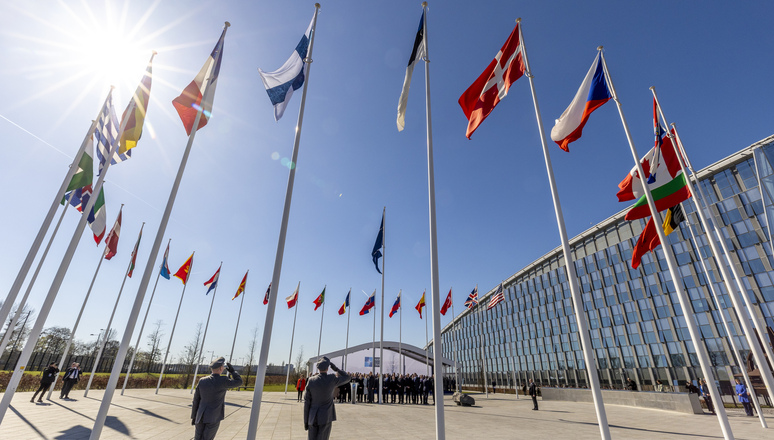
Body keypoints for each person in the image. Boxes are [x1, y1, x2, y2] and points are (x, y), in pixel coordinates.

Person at [191, 356, 243, 440]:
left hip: (200, 416)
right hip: (213, 417)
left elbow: (196, 400)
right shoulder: (223, 380)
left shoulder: (202, 380)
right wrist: (233, 372)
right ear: (221, 368)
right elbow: (239, 382)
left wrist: (194, 416)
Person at [304, 356, 351, 440]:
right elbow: (347, 378)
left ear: (318, 369)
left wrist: (306, 421)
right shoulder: (331, 379)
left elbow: (306, 402)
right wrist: (336, 369)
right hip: (325, 417)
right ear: (328, 368)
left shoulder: (311, 381)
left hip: (312, 417)